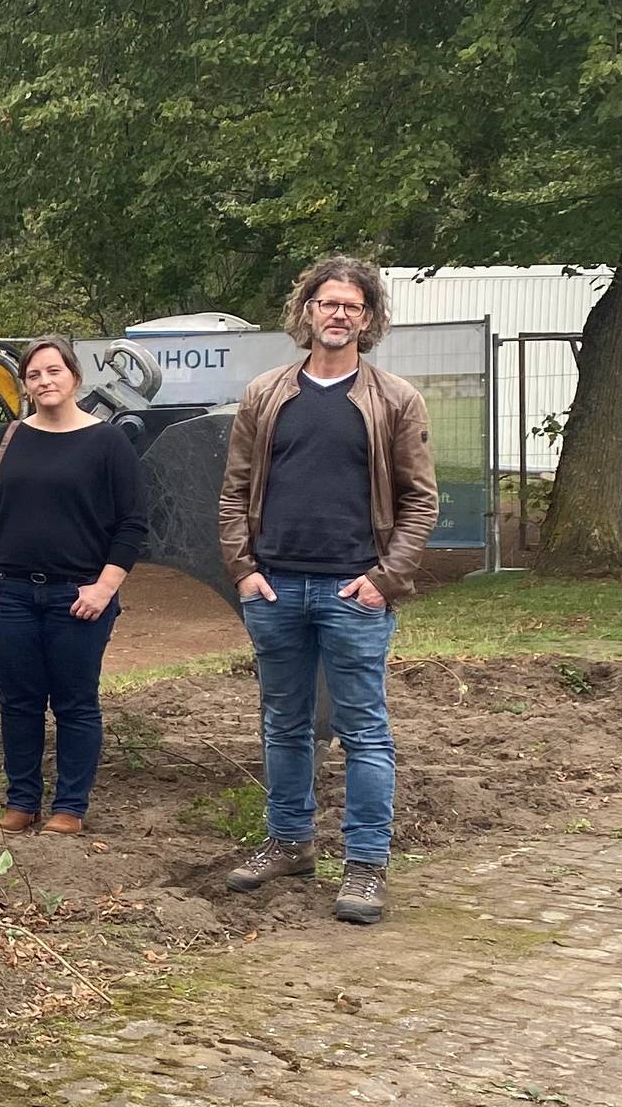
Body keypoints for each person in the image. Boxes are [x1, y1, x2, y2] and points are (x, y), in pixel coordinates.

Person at [217, 256, 437, 925]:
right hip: (276, 590)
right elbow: (233, 492)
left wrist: (384, 580)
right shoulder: (264, 394)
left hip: (354, 593)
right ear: (307, 310)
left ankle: (365, 866)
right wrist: (244, 571)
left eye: (352, 305)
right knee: (283, 725)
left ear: (367, 319)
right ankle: (290, 844)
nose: (338, 314)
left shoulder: (395, 399)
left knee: (364, 732)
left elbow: (420, 500)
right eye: (328, 302)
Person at [0, 337, 150, 836]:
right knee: (18, 703)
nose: (45, 381)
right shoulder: (7, 440)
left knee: (75, 704)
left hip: (77, 598)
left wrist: (104, 588)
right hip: (9, 597)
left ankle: (69, 807)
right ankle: (22, 801)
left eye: (54, 371)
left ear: (75, 377)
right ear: (25, 385)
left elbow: (132, 523)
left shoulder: (107, 443)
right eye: (34, 375)